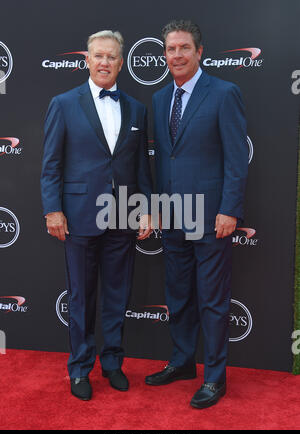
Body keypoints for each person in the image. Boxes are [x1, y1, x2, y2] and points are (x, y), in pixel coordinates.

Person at [41, 30, 152, 401]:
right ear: (86, 60)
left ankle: (113, 363)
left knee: (117, 295)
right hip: (78, 216)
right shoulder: (63, 103)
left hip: (123, 215)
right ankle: (79, 368)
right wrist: (53, 210)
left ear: (122, 63)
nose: (104, 62)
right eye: (98, 56)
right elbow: (51, 164)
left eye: (112, 57)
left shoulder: (136, 108)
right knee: (82, 297)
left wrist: (146, 209)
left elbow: (140, 170)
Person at [145, 20, 248, 409]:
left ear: (199, 51)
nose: (176, 55)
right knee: (179, 296)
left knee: (212, 300)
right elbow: (164, 160)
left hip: (210, 219)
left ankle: (215, 378)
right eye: (170, 49)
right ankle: (183, 362)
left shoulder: (224, 93)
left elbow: (237, 160)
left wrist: (229, 209)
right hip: (172, 217)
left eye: (183, 48)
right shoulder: (158, 99)